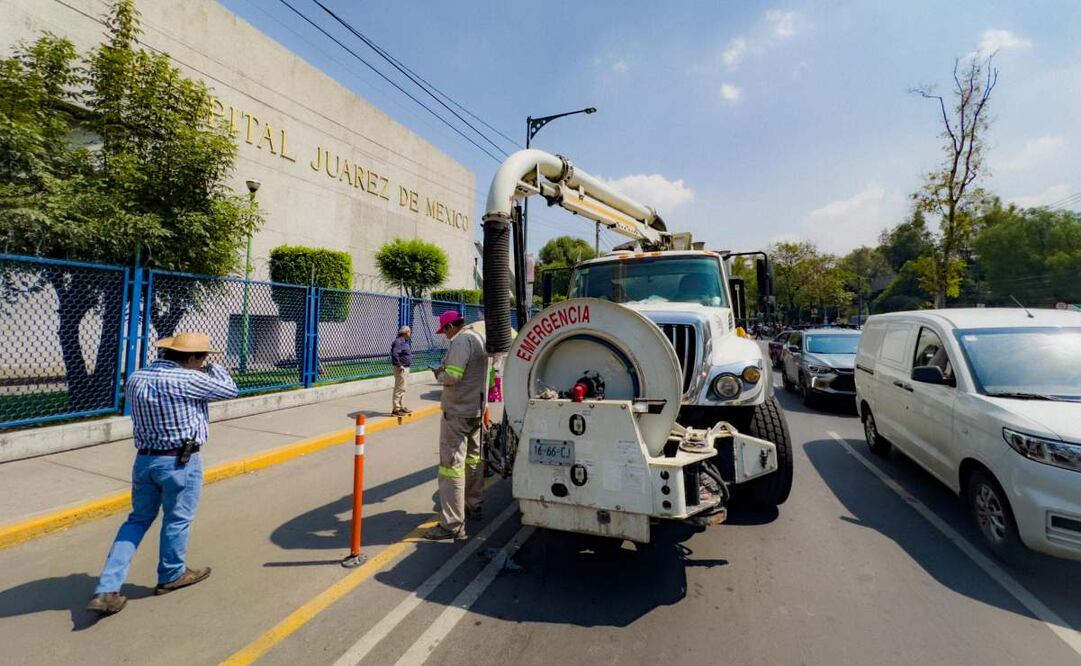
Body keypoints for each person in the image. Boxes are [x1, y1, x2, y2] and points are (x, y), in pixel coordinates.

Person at [86, 332, 238, 616]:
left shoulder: (137, 377)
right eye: (202, 356)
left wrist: (200, 365)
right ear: (191, 358)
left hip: (145, 460)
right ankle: (171, 574)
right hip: (181, 462)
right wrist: (211, 367)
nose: (204, 361)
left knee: (137, 520)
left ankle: (107, 588)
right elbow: (230, 389)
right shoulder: (189, 379)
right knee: (177, 519)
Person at [426, 310, 487, 540]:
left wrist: (439, 374)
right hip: (475, 409)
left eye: (445, 331)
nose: (445, 336)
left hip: (458, 411)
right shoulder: (478, 338)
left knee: (451, 466)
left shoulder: (461, 341)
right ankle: (473, 504)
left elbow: (453, 376)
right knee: (473, 458)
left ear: (452, 326)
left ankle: (452, 524)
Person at [390, 325, 413, 416]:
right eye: (409, 332)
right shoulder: (399, 342)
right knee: (399, 388)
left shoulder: (404, 342)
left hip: (405, 368)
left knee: (403, 388)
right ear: (406, 332)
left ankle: (401, 406)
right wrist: (399, 365)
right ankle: (396, 409)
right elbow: (395, 354)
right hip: (401, 368)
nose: (410, 334)